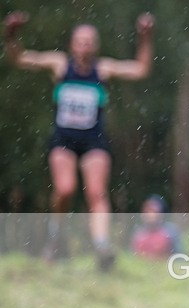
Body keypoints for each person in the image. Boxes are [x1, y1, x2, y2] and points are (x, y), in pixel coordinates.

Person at [3, 10, 155, 271]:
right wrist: (11, 34)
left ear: (95, 46)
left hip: (94, 140)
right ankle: (56, 237)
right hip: (63, 139)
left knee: (97, 193)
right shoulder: (60, 65)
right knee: (65, 189)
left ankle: (102, 245)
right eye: (80, 40)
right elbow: (20, 58)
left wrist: (145, 38)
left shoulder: (103, 69)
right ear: (72, 44)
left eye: (89, 41)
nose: (85, 45)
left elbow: (141, 69)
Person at [130, 194, 182, 259]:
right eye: (147, 211)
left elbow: (178, 258)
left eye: (153, 211)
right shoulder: (138, 234)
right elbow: (133, 258)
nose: (150, 215)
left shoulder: (170, 232)